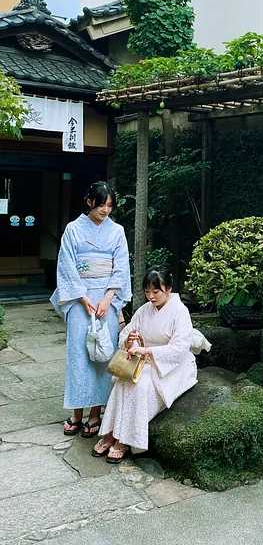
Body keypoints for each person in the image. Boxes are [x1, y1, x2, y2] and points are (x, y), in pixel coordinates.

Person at [51, 181, 132, 438]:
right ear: (89, 202)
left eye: (109, 206)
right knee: (78, 355)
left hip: (106, 298)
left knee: (103, 355)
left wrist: (109, 299)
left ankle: (95, 413)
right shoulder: (73, 229)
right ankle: (77, 413)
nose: (105, 210)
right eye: (101, 205)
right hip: (79, 298)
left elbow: (120, 267)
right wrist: (83, 298)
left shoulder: (117, 231)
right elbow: (67, 265)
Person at [93, 267, 198, 463]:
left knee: (139, 385)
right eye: (147, 291)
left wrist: (148, 351)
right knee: (122, 381)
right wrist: (131, 340)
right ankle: (111, 433)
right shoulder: (144, 310)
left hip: (172, 365)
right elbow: (127, 334)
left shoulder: (180, 312)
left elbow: (180, 348)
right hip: (144, 359)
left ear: (168, 289)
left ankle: (125, 440)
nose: (151, 296)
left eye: (155, 291)